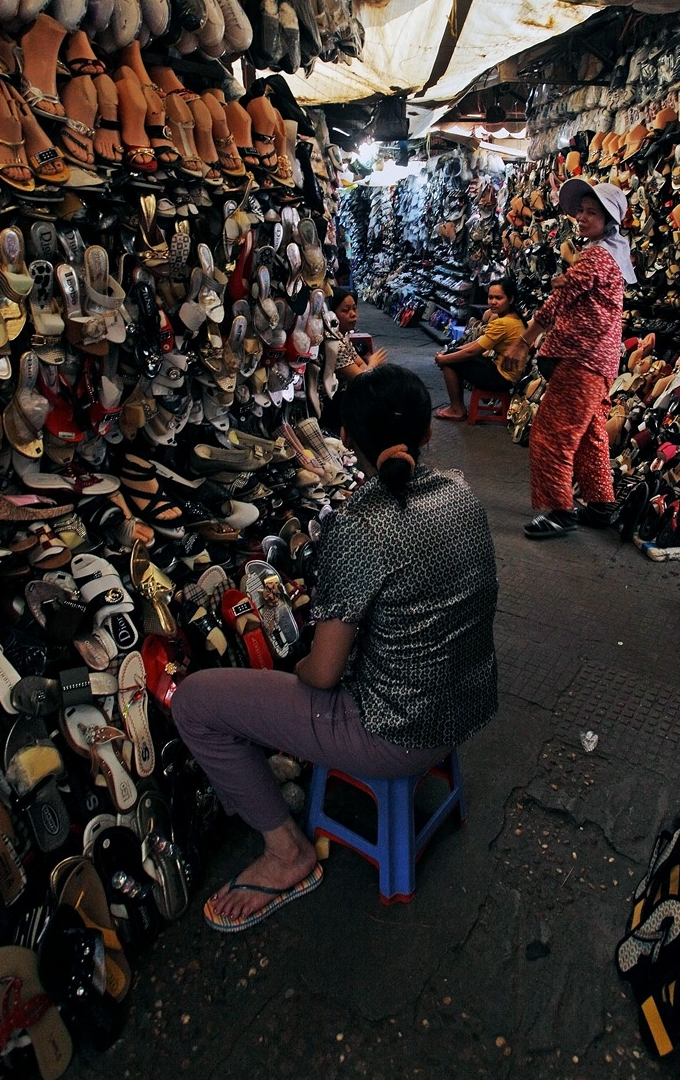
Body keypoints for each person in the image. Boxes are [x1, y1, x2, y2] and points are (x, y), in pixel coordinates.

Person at [172, 364, 499, 933]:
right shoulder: (462, 494)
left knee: (195, 702)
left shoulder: (359, 528)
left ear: (345, 439)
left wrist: (294, 663)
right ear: (426, 435)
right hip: (466, 705)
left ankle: (287, 854)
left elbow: (322, 676)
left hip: (395, 734)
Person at [502, 179, 635, 541]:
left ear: (609, 220)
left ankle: (560, 511)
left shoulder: (596, 256)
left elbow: (560, 299)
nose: (582, 217)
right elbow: (565, 298)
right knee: (591, 434)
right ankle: (601, 503)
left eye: (592, 213)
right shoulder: (609, 254)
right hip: (598, 363)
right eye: (581, 210)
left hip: (582, 361)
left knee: (551, 432)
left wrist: (525, 342)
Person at [433, 276, 527, 420]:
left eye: (498, 298)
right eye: (490, 297)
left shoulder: (503, 323)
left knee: (449, 363)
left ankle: (457, 409)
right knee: (452, 355)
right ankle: (457, 407)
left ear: (511, 299)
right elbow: (478, 342)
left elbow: (473, 351)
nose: (493, 302)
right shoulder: (513, 317)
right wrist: (451, 352)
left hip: (501, 377)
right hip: (506, 373)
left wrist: (443, 359)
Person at [322, 288, 386, 433]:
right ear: (331, 315)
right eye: (345, 310)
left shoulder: (342, 336)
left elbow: (361, 365)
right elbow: (360, 379)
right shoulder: (334, 344)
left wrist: (369, 366)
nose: (353, 314)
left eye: (354, 309)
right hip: (333, 403)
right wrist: (373, 363)